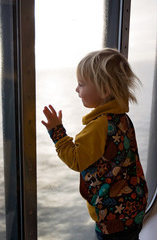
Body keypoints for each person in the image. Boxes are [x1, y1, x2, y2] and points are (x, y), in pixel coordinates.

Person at [41, 48, 148, 240]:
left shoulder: (99, 125)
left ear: (104, 89)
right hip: (134, 205)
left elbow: (76, 160)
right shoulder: (122, 118)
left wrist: (57, 132)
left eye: (81, 84)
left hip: (113, 215)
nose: (76, 89)